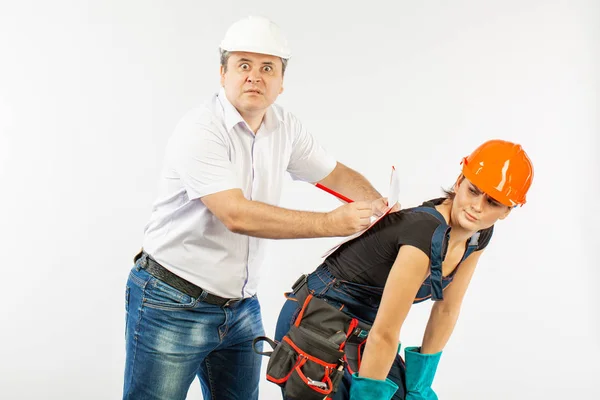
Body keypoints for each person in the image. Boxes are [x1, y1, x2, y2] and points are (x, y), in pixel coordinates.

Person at [122, 15, 393, 400]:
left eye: (268, 68)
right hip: (172, 301)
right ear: (222, 73)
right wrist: (332, 222)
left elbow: (335, 174)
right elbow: (236, 214)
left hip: (240, 309)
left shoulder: (285, 127)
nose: (255, 76)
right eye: (243, 65)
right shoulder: (200, 130)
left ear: (282, 82)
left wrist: (380, 206)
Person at [270, 139, 534, 400]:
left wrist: (420, 384)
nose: (477, 206)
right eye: (473, 191)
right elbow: (385, 333)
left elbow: (447, 308)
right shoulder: (425, 232)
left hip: (363, 327)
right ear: (459, 182)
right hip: (317, 316)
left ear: (506, 211)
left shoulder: (477, 235)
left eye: (493, 202)